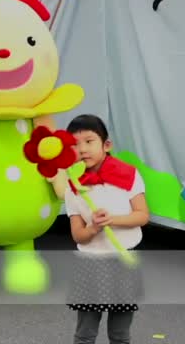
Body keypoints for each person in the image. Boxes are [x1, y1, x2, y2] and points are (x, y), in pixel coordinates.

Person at [64, 114, 150, 344]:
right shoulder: (73, 187)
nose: (82, 149)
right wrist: (93, 228)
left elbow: (142, 215)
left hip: (124, 260)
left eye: (89, 141)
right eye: (75, 145)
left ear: (106, 145)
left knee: (120, 334)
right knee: (85, 334)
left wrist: (113, 220)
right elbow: (77, 235)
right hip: (90, 263)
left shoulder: (129, 174)